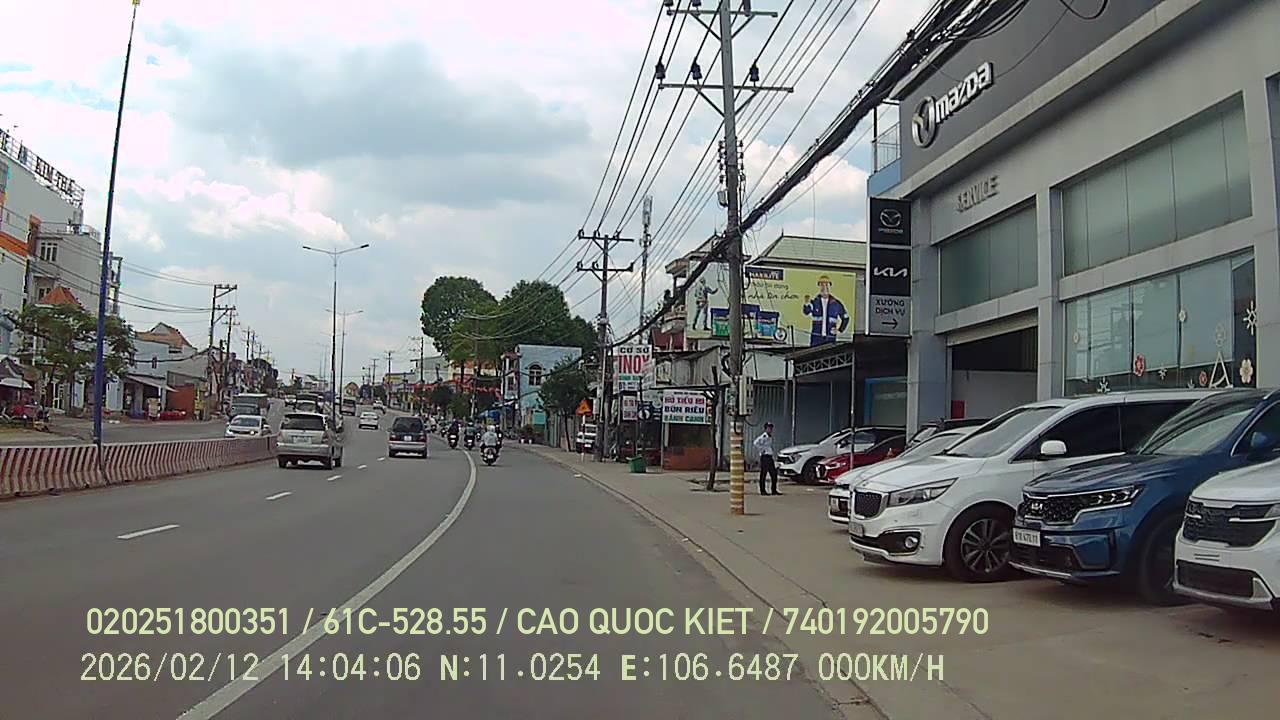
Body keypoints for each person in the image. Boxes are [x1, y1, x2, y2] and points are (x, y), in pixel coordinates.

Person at [802, 275, 850, 347]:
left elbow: (846, 318)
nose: (824, 288)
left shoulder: (836, 304)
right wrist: (806, 303)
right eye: (822, 285)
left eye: (826, 285)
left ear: (830, 286)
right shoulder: (814, 302)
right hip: (816, 338)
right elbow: (806, 312)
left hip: (830, 338)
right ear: (819, 287)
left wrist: (840, 330)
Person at [753, 422, 779, 496]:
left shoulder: (769, 436)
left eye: (771, 428)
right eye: (768, 428)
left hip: (769, 457)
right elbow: (755, 443)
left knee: (774, 474)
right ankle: (762, 490)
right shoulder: (763, 436)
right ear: (765, 429)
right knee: (763, 474)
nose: (770, 429)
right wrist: (762, 450)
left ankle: (774, 490)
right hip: (765, 457)